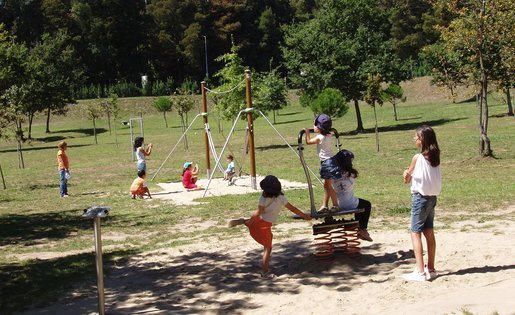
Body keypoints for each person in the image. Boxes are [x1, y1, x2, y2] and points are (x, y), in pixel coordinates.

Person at [228, 175, 311, 278]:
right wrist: (304, 216)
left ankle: (244, 221)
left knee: (264, 238)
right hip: (264, 224)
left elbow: (258, 213)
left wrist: (250, 221)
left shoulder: (263, 198)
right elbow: (292, 209)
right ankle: (265, 272)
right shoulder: (281, 197)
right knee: (267, 248)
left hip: (261, 222)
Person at [402, 125, 442, 282]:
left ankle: (420, 271)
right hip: (432, 198)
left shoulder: (417, 158)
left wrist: (405, 173)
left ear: (423, 140)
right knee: (429, 231)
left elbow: (407, 179)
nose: (414, 139)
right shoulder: (435, 156)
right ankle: (430, 268)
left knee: (415, 232)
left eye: (417, 137)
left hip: (420, 198)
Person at [331, 149, 373, 242]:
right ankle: (363, 229)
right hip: (350, 203)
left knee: (360, 204)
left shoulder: (332, 174)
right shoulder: (352, 174)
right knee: (367, 204)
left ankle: (360, 228)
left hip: (337, 204)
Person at [305, 114, 338, 213]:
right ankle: (329, 205)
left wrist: (307, 132)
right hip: (331, 161)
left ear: (319, 127)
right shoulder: (329, 135)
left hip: (326, 163)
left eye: (314, 125)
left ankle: (331, 205)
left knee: (327, 186)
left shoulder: (320, 137)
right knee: (327, 185)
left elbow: (308, 142)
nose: (313, 127)